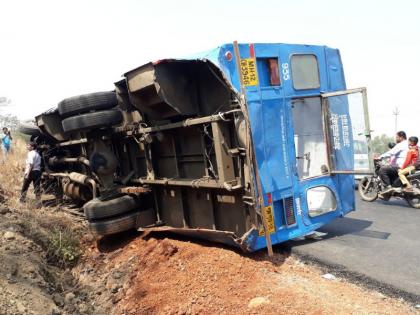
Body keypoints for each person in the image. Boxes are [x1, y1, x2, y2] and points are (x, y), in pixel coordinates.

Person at [19, 141, 42, 207]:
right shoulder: (37, 154)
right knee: (37, 187)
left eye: (28, 145)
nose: (27, 146)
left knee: (25, 186)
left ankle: (22, 201)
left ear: (32, 147)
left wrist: (27, 174)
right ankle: (38, 203)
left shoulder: (30, 153)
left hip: (31, 172)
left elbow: (31, 164)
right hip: (37, 172)